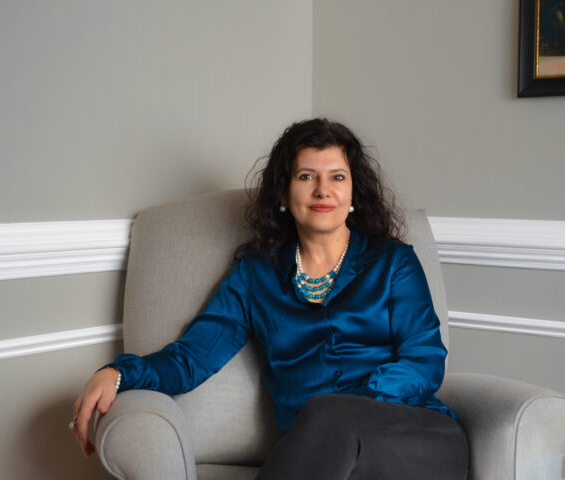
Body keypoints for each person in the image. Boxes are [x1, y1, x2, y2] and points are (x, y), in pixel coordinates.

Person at [71, 118, 469, 479]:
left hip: (413, 438)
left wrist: (349, 405)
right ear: (283, 193)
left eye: (337, 177)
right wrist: (120, 374)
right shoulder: (255, 275)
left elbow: (424, 360)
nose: (323, 190)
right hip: (321, 457)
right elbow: (192, 358)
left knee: (331, 412)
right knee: (328, 422)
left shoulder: (394, 263)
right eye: (306, 176)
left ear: (354, 194)